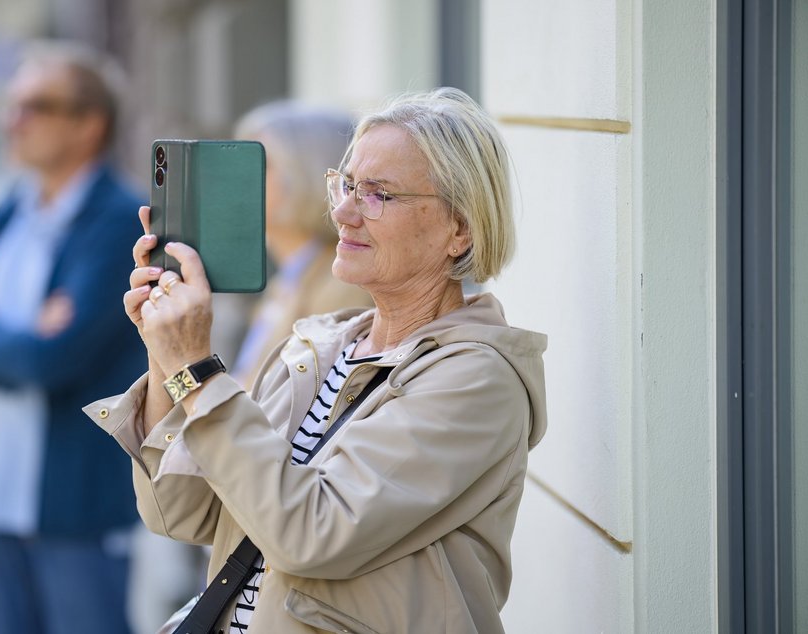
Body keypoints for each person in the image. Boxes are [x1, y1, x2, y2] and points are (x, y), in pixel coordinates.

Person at [87, 87, 547, 633]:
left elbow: (310, 533)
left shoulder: (476, 378)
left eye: (379, 195)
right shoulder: (318, 346)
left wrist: (197, 366)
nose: (345, 213)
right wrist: (165, 354)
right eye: (346, 185)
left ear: (460, 229)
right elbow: (185, 509)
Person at [0, 41, 143, 634]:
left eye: (36, 106)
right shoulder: (12, 209)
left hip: (75, 505)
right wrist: (20, 335)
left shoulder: (119, 219)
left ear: (88, 124)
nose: (11, 120)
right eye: (12, 103)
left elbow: (56, 360)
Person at [230, 100, 374, 388]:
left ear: (308, 173)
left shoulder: (344, 289)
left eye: (260, 162)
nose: (237, 175)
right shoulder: (284, 283)